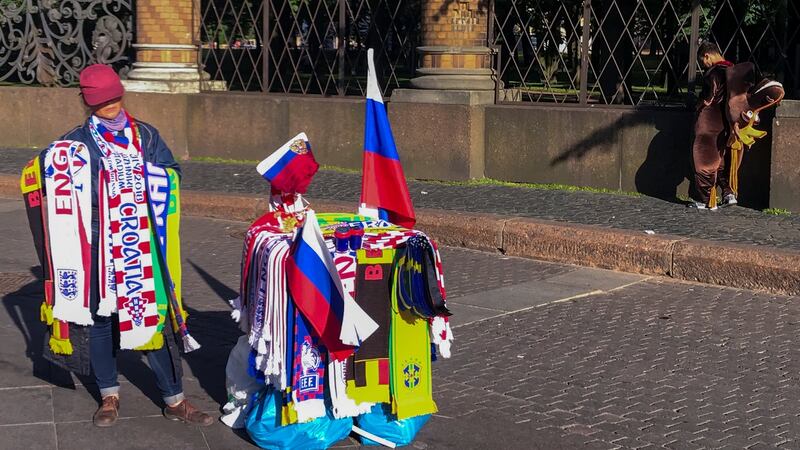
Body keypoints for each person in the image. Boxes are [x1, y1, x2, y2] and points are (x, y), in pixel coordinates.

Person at [43, 64, 213, 427]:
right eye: (102, 101)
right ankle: (109, 394)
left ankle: (175, 398)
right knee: (102, 320)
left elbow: (172, 173)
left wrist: (146, 179)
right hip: (99, 248)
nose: (111, 106)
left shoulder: (146, 135)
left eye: (115, 98)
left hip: (139, 244)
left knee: (150, 317)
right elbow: (52, 177)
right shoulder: (75, 143)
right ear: (88, 103)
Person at [690, 41, 734, 210]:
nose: (703, 65)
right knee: (721, 161)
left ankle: (706, 200)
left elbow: (710, 97)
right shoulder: (732, 70)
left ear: (707, 55)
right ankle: (728, 193)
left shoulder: (713, 73)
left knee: (703, 161)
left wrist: (702, 102)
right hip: (727, 124)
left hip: (710, 122)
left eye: (703, 61)